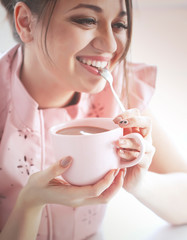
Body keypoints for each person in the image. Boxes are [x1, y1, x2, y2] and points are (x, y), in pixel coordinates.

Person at [0, 0, 187, 240]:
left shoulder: (118, 88)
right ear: (25, 22)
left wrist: (139, 182)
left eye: (119, 24)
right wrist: (30, 204)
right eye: (87, 20)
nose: (110, 45)